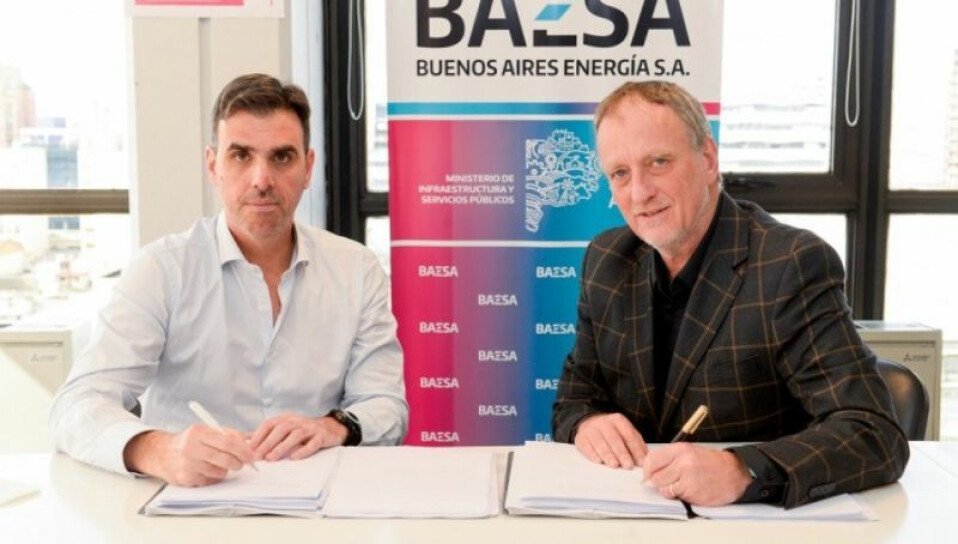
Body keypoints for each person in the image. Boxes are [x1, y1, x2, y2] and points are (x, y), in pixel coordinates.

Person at [552, 80, 908, 509]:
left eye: (658, 162)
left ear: (707, 159)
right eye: (620, 174)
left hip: (755, 525)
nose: (639, 192)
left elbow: (873, 433)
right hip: (635, 515)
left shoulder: (789, 263)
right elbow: (575, 398)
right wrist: (587, 423)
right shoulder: (607, 259)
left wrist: (745, 470)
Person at [50, 73, 407, 487]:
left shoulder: (356, 269)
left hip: (319, 500)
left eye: (282, 157)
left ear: (308, 168)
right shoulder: (162, 269)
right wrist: (158, 450)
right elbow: (76, 405)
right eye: (240, 155)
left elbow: (386, 406)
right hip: (188, 501)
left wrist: (334, 426)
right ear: (212, 165)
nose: (261, 180)